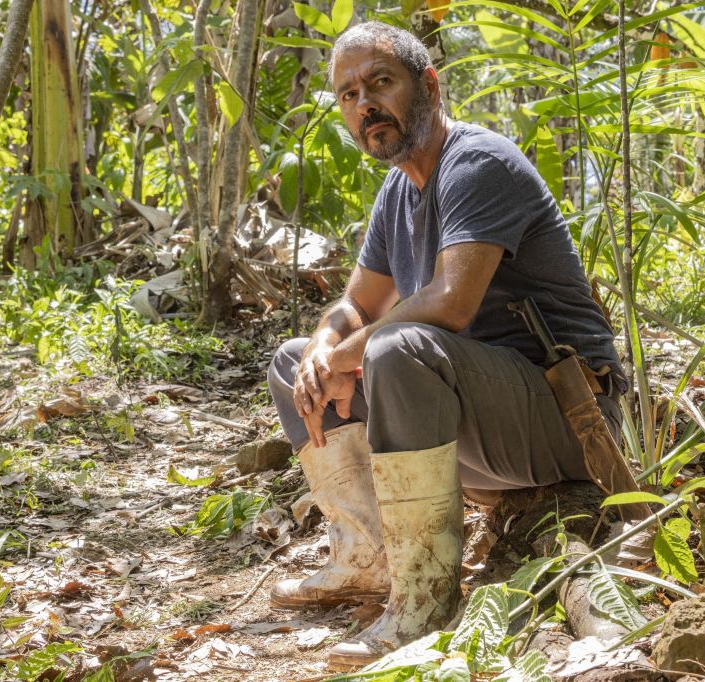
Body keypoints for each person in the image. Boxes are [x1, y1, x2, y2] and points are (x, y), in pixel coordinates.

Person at [265, 21, 627, 670]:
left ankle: (425, 603)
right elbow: (355, 305)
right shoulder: (397, 190)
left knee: (397, 347)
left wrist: (352, 355)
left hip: (570, 422)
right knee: (294, 362)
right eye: (348, 94)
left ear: (427, 84)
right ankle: (368, 559)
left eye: (381, 82)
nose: (364, 104)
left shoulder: (478, 163)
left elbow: (451, 303)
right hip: (477, 425)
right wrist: (326, 348)